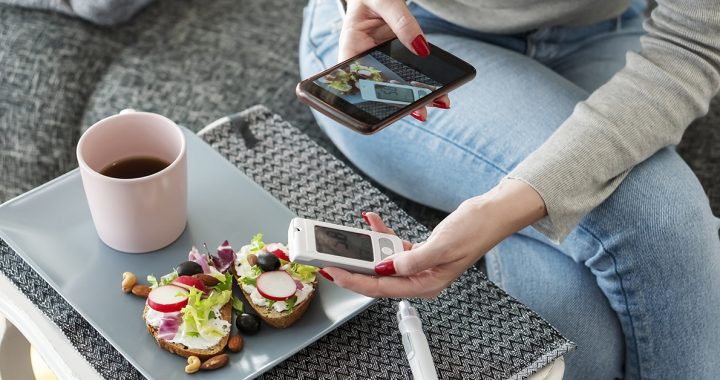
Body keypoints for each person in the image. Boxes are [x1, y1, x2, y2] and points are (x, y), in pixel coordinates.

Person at [299, 0, 720, 378]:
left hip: (601, 30)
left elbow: (691, 45)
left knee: (580, 329)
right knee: (661, 215)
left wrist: (500, 211)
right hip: (407, 32)